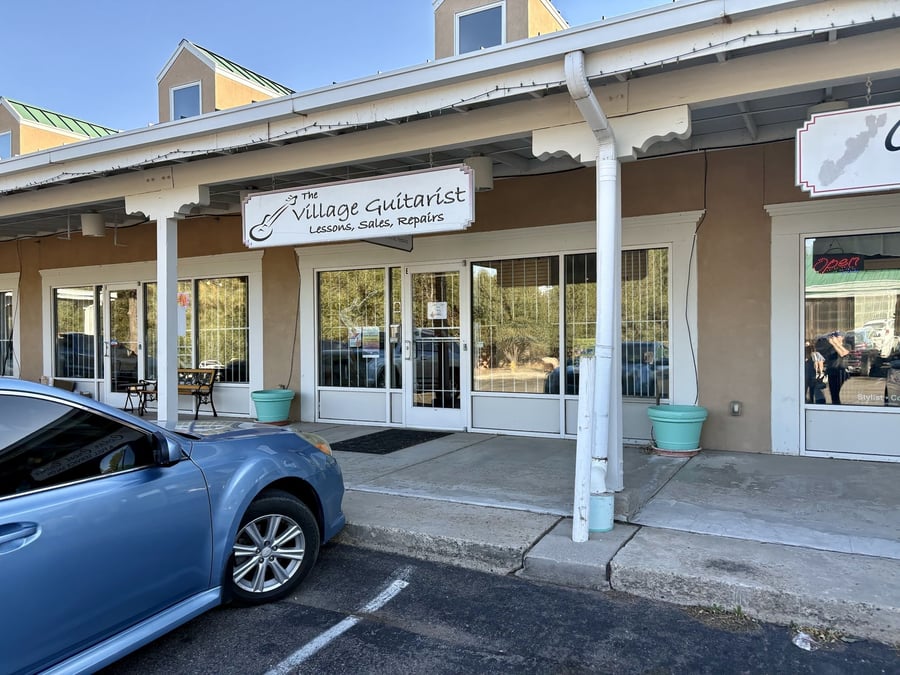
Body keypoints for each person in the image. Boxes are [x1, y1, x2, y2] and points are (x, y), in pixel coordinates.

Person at [815, 331, 852, 405]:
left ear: (842, 337)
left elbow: (843, 353)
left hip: (841, 372)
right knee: (834, 394)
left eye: (837, 337)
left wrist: (836, 344)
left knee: (841, 392)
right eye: (834, 337)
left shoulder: (847, 346)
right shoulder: (830, 348)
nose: (835, 338)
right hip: (832, 372)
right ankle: (836, 405)